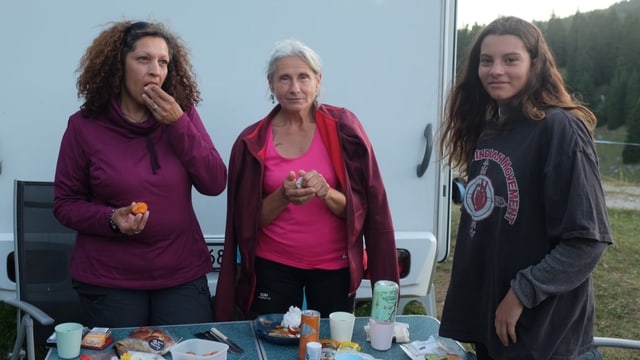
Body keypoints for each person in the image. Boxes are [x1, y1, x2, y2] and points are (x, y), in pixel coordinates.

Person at [438, 16, 612, 360]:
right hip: (495, 334)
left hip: (545, 341)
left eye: (510, 60)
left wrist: (521, 294)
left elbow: (586, 240)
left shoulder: (559, 128)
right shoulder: (491, 129)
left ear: (536, 65)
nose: (496, 70)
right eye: (486, 61)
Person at [53, 20, 228, 327]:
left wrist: (177, 125)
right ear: (118, 66)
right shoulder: (84, 126)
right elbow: (65, 204)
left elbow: (214, 182)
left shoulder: (182, 115)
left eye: (163, 62)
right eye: (143, 59)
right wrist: (111, 219)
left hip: (180, 273)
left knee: (190, 349)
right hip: (110, 278)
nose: (155, 71)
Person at [213, 39, 399, 321]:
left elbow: (364, 208)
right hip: (273, 266)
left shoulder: (343, 129)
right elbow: (246, 224)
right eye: (284, 78)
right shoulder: (252, 141)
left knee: (329, 345)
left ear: (318, 81)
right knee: (275, 343)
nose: (295, 88)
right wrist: (282, 196)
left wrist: (326, 192)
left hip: (333, 266)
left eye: (303, 77)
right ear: (271, 84)